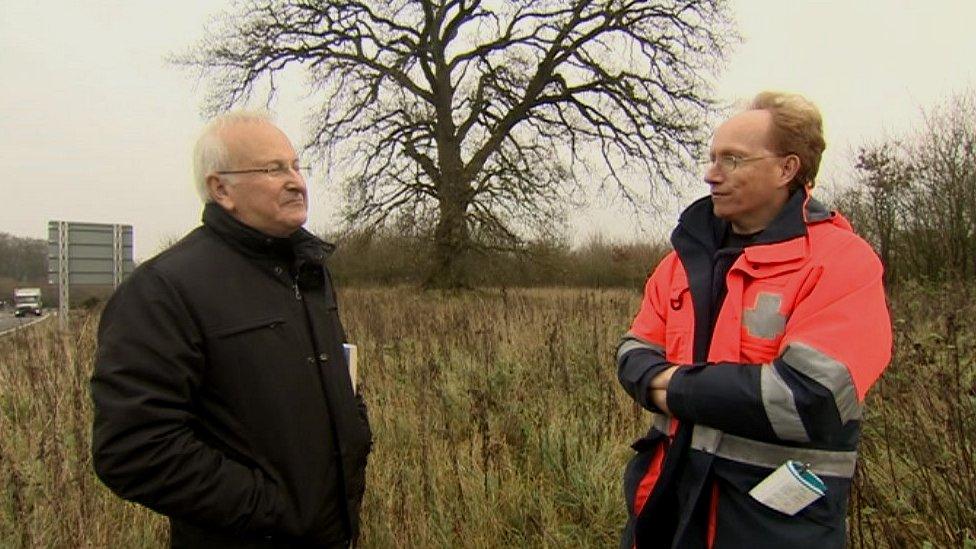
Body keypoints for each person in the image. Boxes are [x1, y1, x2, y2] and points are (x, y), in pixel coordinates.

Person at [615, 92, 891, 548]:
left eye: (733, 160)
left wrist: (673, 387)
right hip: (666, 511)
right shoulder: (681, 262)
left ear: (787, 168)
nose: (711, 173)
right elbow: (632, 353)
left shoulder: (841, 263)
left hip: (770, 526)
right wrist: (709, 389)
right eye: (712, 157)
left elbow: (810, 396)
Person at [91, 111, 371, 548]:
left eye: (297, 166)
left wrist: (356, 431)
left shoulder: (309, 272)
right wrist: (271, 510)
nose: (296, 181)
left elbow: (336, 376)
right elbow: (134, 449)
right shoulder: (164, 290)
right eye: (273, 169)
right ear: (221, 188)